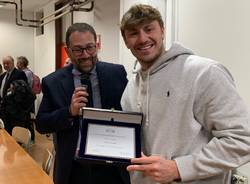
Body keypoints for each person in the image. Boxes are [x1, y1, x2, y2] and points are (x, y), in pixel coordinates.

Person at [120, 4, 250, 184]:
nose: (143, 38)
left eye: (149, 29)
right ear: (126, 41)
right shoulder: (130, 90)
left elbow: (242, 140)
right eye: (133, 33)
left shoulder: (204, 73)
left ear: (163, 31)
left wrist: (178, 168)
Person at [36, 23, 129, 184]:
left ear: (97, 45)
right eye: (78, 50)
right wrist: (69, 112)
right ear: (67, 51)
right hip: (74, 169)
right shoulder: (53, 82)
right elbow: (42, 124)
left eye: (90, 48)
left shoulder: (116, 73)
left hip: (113, 167)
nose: (86, 54)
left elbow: (130, 110)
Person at [0, 56, 28, 133]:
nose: (5, 65)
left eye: (7, 63)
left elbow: (23, 92)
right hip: (4, 109)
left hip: (15, 110)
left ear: (13, 63)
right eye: (4, 63)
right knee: (6, 131)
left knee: (15, 132)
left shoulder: (20, 74)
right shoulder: (3, 76)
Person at [16, 56, 36, 142]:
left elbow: (24, 87)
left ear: (21, 64)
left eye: (18, 63)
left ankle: (30, 139)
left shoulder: (26, 73)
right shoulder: (25, 72)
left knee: (28, 120)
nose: (16, 65)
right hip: (26, 99)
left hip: (27, 100)